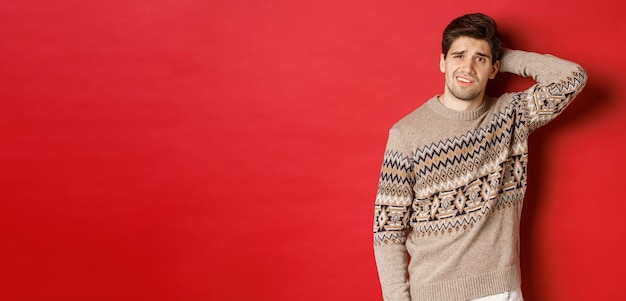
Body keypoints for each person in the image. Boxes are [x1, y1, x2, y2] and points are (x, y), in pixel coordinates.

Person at [373, 13, 587, 301]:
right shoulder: (406, 134)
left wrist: (501, 56)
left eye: (480, 59)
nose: (467, 67)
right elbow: (388, 230)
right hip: (432, 293)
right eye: (458, 56)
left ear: (495, 68)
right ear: (442, 61)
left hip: (500, 292)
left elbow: (572, 77)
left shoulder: (512, 115)